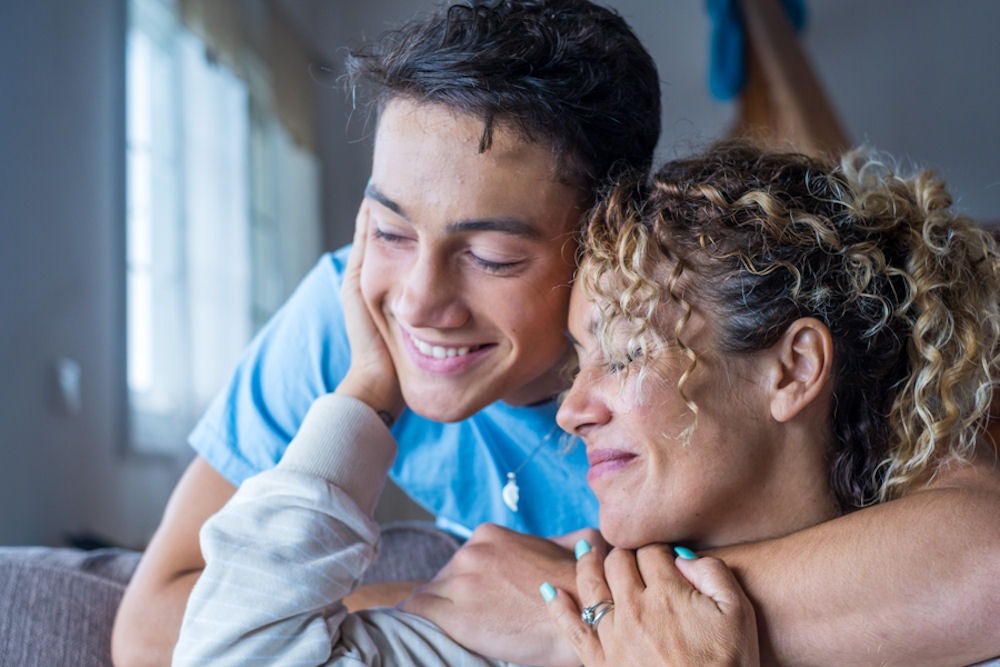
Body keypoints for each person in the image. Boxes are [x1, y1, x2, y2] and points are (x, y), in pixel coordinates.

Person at [172, 141, 1000, 666]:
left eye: (627, 350)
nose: (570, 411)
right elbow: (226, 651)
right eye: (579, 360)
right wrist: (362, 393)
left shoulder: (955, 628)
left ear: (791, 369)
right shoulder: (498, 615)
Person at [112, 1, 661, 664]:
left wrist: (572, 608)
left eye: (491, 256)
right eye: (392, 232)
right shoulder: (353, 316)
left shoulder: (686, 368)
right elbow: (147, 629)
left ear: (608, 241)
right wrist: (438, 606)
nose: (420, 301)